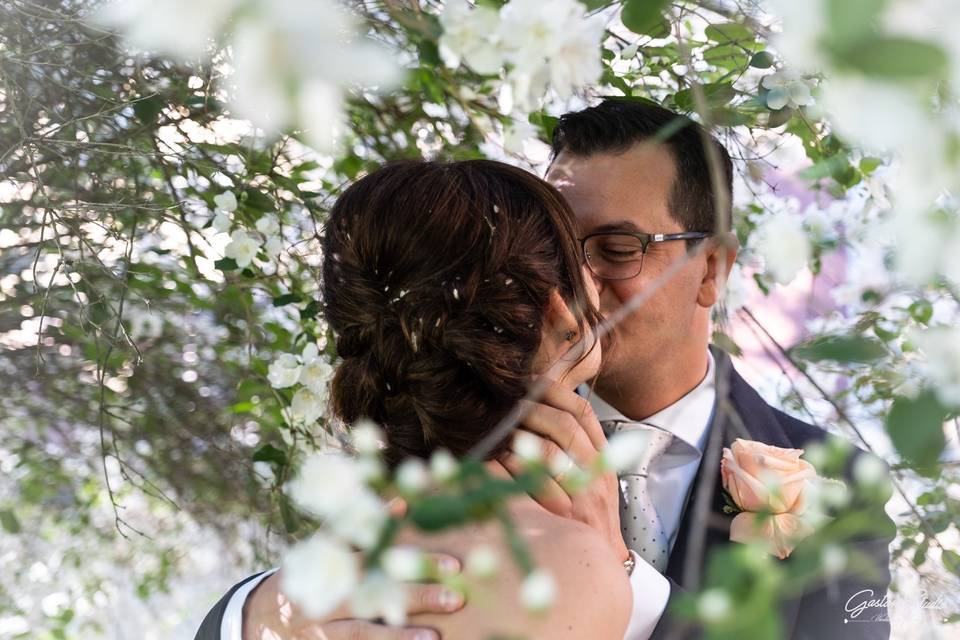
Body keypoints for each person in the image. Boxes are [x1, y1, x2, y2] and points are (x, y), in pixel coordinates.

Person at [198, 99, 895, 640]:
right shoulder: (449, 416)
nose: (579, 283)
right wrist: (261, 617)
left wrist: (625, 579)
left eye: (617, 248)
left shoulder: (839, 484)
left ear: (711, 266)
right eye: (559, 248)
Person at [196, 159, 641, 640]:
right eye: (586, 262)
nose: (599, 282)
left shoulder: (314, 577)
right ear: (560, 310)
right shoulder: (566, 571)